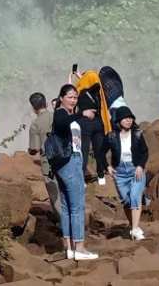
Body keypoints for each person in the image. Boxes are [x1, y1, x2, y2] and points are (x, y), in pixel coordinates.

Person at [51, 84, 99, 261]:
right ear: (61, 98)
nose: (73, 100)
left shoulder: (68, 114)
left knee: (66, 206)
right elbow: (62, 123)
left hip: (68, 162)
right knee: (77, 206)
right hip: (70, 161)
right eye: (70, 97)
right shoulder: (61, 113)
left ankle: (69, 248)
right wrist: (82, 114)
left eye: (75, 97)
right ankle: (79, 247)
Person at [105, 106, 149, 240]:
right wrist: (107, 166)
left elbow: (145, 152)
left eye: (130, 118)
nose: (129, 120)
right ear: (119, 120)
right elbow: (100, 153)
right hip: (120, 172)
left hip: (135, 169)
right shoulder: (112, 136)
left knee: (135, 196)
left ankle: (135, 229)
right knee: (126, 201)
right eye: (125, 118)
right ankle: (133, 226)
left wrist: (141, 166)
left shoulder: (137, 134)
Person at [73, 69, 111, 185]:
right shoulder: (99, 92)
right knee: (99, 150)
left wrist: (74, 78)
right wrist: (81, 76)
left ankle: (82, 179)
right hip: (99, 122)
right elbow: (91, 81)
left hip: (85, 123)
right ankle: (101, 176)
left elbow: (74, 90)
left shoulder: (79, 93)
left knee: (83, 151)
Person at [27, 92, 60, 218]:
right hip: (65, 159)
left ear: (33, 108)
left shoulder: (35, 124)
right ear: (46, 103)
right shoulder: (58, 116)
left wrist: (30, 150)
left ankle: (65, 226)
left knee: (55, 194)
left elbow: (34, 148)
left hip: (48, 163)